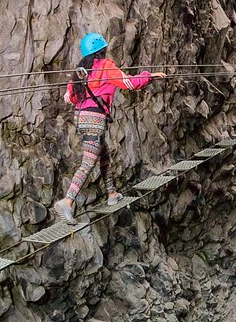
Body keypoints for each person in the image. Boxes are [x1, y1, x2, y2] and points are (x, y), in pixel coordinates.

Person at [54, 33, 167, 224]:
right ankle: (67, 201)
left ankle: (112, 193)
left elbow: (71, 97)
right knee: (88, 162)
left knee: (103, 155)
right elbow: (129, 83)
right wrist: (149, 76)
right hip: (94, 121)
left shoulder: (80, 72)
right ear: (102, 50)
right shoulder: (105, 66)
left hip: (81, 119)